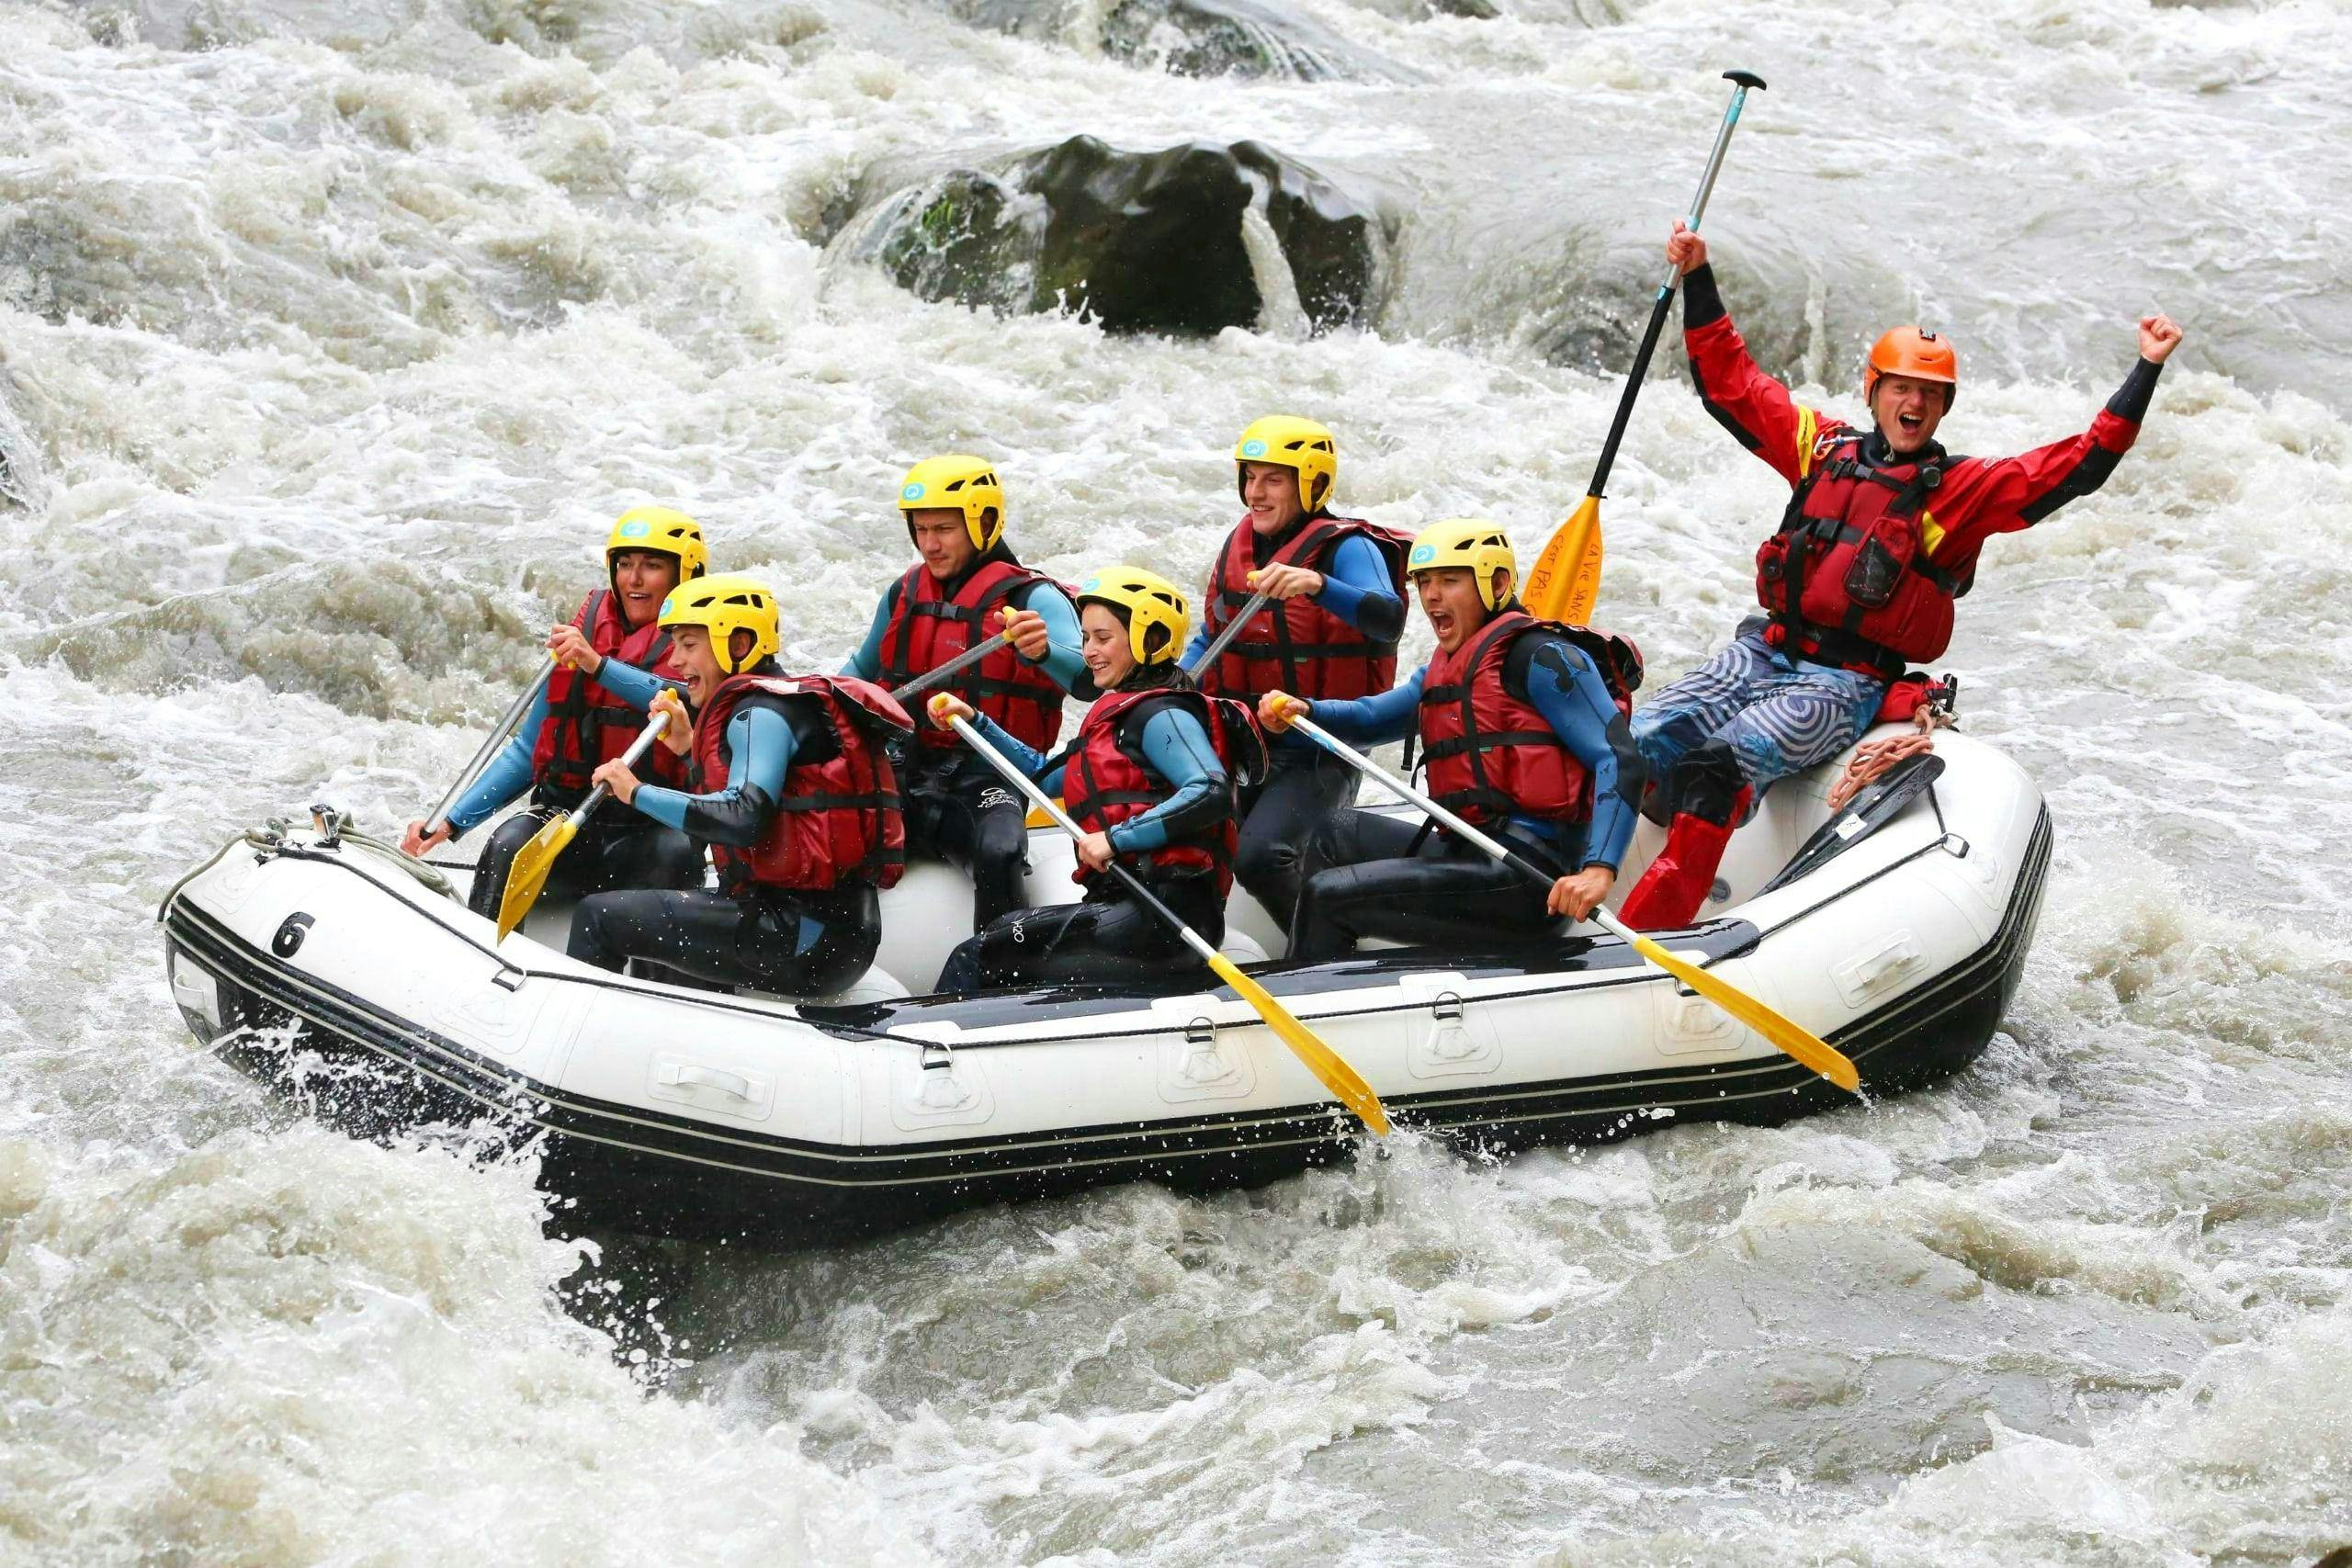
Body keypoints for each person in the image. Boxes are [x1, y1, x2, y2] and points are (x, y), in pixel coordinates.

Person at [1620, 220, 2188, 931]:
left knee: (1718, 766)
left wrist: (2147, 368)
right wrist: (1698, 277)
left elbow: (2078, 463)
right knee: (1638, 739)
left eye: (1929, 394)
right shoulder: (1819, 447)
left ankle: (1647, 941)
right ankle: (1574, 880)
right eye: (1900, 389)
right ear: (1874, 390)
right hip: (1761, 650)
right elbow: (1731, 383)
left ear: (1943, 406)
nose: (1913, 405)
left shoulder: (1959, 492)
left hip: (1841, 684)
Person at [1264, 521, 1645, 963]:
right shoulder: (1448, 667)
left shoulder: (1541, 657)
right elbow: (1370, 719)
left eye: (1449, 581)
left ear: (1497, 583)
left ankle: (1317, 989)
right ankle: (1332, 963)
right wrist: (1304, 711)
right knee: (1332, 831)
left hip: (1528, 877)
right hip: (1465, 848)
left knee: (1326, 895)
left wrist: (1598, 870)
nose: (1431, 597)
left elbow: (1619, 758)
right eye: (1424, 582)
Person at [568, 574, 911, 997]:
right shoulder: (778, 701)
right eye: (675, 644)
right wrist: (687, 751)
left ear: (739, 645)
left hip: (799, 939)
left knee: (598, 915)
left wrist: (636, 791)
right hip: (829, 936)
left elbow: (743, 817)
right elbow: (759, 807)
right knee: (662, 925)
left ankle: (575, 1050)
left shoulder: (760, 714)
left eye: (689, 645)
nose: (674, 661)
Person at [930, 567, 1264, 997]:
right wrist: (975, 722)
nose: (1089, 651)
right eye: (1085, 638)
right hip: (1128, 911)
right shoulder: (1118, 719)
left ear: (1151, 640)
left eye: (1103, 638)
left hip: (1168, 920)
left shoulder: (1163, 715)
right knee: (1003, 936)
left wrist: (1115, 839)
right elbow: (1038, 778)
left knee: (976, 956)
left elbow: (1210, 790)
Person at [403, 508, 709, 924]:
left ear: (683, 575)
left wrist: (597, 665)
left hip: (651, 831)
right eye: (624, 564)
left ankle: (655, 981)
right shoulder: (585, 635)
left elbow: (675, 697)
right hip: (568, 820)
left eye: (651, 566)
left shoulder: (706, 645)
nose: (633, 580)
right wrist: (453, 822)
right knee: (507, 845)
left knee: (672, 853)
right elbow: (529, 751)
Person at [842, 455, 1086, 933]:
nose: (929, 544)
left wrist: (1042, 653)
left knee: (1000, 850)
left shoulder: (1034, 600)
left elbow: (1088, 682)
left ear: (985, 522)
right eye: (921, 529)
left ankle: (1001, 969)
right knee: (834, 826)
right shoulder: (904, 592)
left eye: (944, 529)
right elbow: (860, 673)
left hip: (987, 773)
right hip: (907, 769)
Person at [1181, 415, 1407, 926]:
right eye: (1249, 477)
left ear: (1315, 484)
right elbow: (1210, 638)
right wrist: (1176, 683)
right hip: (1246, 747)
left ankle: (1325, 947)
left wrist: (1317, 585)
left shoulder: (1349, 548)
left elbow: (1387, 619)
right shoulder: (1238, 543)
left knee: (1260, 856)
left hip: (1321, 750)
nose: (1254, 493)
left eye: (1273, 480)